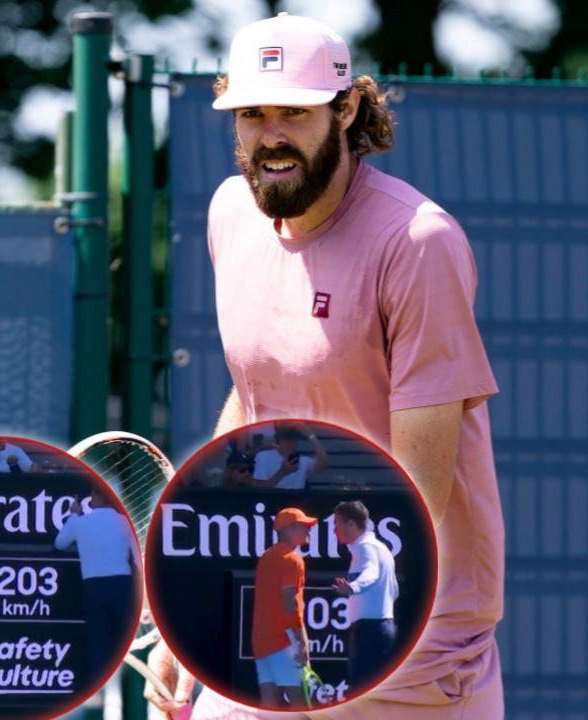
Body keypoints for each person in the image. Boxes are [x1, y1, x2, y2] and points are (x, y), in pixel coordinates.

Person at [196, 11, 503, 720]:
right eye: (251, 113)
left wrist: (319, 653)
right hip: (282, 611)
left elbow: (412, 496)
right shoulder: (230, 214)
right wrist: (199, 605)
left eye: (294, 114)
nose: (271, 135)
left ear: (347, 108)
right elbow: (255, 398)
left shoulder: (418, 241)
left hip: (410, 637)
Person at [54, 485, 139, 683]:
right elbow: (137, 557)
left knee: (97, 644)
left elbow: (59, 544)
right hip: (122, 586)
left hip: (94, 588)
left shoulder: (80, 523)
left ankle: (99, 687)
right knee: (126, 641)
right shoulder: (126, 522)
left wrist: (74, 516)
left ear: (94, 495)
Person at [331, 500, 399, 693]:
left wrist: (352, 588)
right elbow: (394, 590)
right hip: (384, 629)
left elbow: (371, 573)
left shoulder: (364, 548)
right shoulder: (381, 548)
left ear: (351, 524)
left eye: (337, 524)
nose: (334, 530)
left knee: (362, 692)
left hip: (370, 631)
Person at [250, 508, 314, 709]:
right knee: (299, 703)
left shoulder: (267, 556)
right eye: (303, 526)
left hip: (260, 641)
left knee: (268, 704)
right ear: (289, 529)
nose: (308, 531)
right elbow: (290, 603)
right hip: (283, 642)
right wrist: (302, 641)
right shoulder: (292, 560)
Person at [252, 425, 328, 489]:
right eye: (286, 438)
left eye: (293, 438)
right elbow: (260, 488)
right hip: (272, 501)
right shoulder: (263, 456)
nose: (290, 442)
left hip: (296, 503)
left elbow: (324, 463)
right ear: (279, 440)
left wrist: (310, 435)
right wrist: (282, 472)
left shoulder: (303, 460)